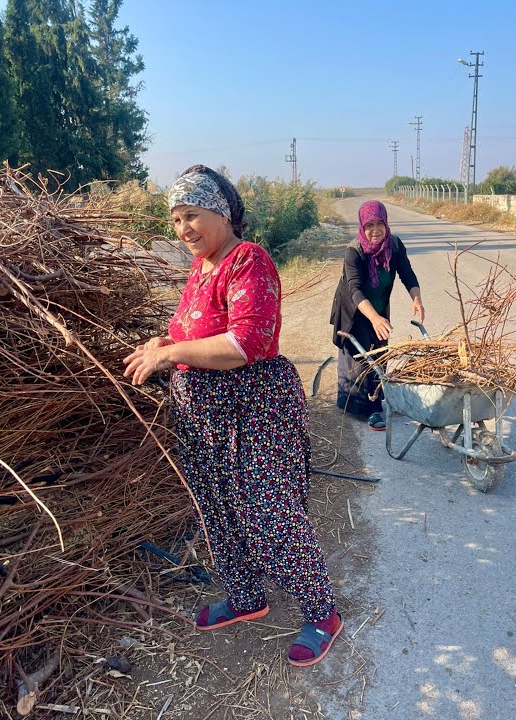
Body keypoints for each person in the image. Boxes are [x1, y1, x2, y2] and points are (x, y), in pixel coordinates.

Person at [123, 165, 343, 667]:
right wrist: (165, 344)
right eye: (176, 219)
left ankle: (322, 612)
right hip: (203, 419)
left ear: (221, 214)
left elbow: (245, 342)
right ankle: (247, 597)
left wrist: (171, 351)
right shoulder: (198, 270)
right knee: (218, 511)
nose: (183, 230)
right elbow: (190, 332)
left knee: (269, 512)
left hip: (254, 411)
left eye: (192, 216)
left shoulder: (248, 261)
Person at [328, 200, 423, 430]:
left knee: (380, 352)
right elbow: (355, 290)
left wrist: (417, 299)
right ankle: (364, 409)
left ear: (386, 223)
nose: (375, 230)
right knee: (360, 357)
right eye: (369, 225)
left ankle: (376, 397)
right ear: (362, 226)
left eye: (379, 223)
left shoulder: (395, 246)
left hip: (379, 306)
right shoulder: (354, 251)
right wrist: (374, 318)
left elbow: (407, 275)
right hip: (354, 309)